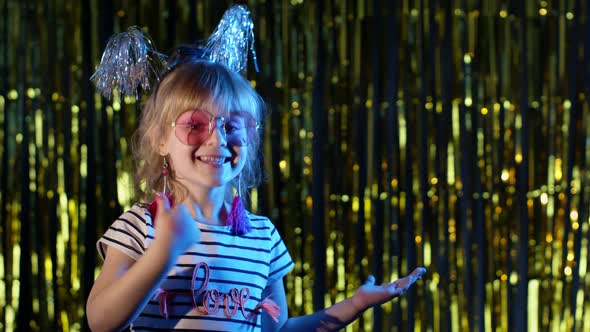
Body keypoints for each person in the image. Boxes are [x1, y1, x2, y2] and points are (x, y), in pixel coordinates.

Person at [86, 5, 426, 332]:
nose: (218, 140)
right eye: (195, 125)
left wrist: (353, 306)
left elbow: (277, 330)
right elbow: (100, 320)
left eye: (233, 126)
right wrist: (164, 250)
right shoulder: (142, 226)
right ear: (160, 140)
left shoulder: (261, 237)